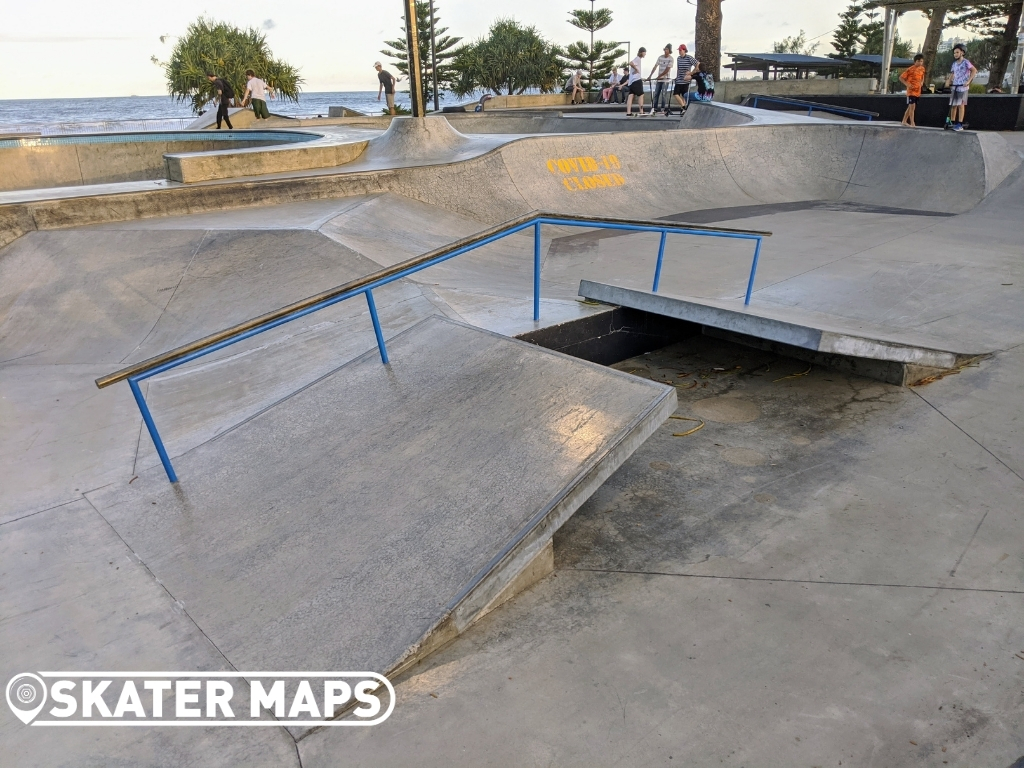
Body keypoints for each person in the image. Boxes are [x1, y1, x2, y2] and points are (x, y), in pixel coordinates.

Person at [944, 43, 977, 131]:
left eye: (957, 52)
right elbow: (953, 73)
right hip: (955, 86)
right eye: (954, 53)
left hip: (963, 87)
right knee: (953, 105)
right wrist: (949, 81)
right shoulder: (954, 64)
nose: (955, 54)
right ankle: (952, 121)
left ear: (962, 52)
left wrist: (968, 81)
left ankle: (960, 123)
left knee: (960, 105)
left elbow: (974, 71)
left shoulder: (966, 62)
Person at [899, 54, 925, 127]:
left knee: (911, 107)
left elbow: (922, 76)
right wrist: (907, 84)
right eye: (918, 61)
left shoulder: (922, 69)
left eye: (921, 61)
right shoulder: (910, 69)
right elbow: (901, 78)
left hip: (918, 91)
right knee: (912, 106)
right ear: (915, 61)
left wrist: (922, 82)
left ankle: (904, 120)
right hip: (911, 91)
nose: (920, 63)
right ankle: (912, 122)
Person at [648, 45, 674, 115]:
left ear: (669, 51)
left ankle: (663, 108)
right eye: (664, 49)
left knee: (664, 94)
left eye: (667, 49)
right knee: (656, 93)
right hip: (659, 80)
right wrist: (650, 76)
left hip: (665, 80)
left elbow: (667, 69)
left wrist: (660, 76)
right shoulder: (660, 57)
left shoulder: (671, 59)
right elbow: (655, 66)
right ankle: (655, 108)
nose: (665, 51)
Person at [672, 44, 697, 114]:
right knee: (676, 93)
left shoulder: (689, 58)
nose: (679, 52)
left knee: (684, 95)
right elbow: (678, 68)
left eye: (680, 50)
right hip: (679, 79)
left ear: (684, 50)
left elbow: (697, 64)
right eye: (679, 50)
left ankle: (683, 109)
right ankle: (683, 106)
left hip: (686, 80)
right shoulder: (678, 58)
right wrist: (676, 77)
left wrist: (691, 73)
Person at [625, 47, 647, 116]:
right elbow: (631, 63)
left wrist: (639, 75)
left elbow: (634, 70)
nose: (645, 54)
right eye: (644, 52)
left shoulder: (638, 59)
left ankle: (628, 112)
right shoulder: (638, 59)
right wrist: (636, 69)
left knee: (631, 95)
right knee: (641, 94)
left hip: (632, 81)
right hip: (636, 80)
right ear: (641, 52)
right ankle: (641, 111)